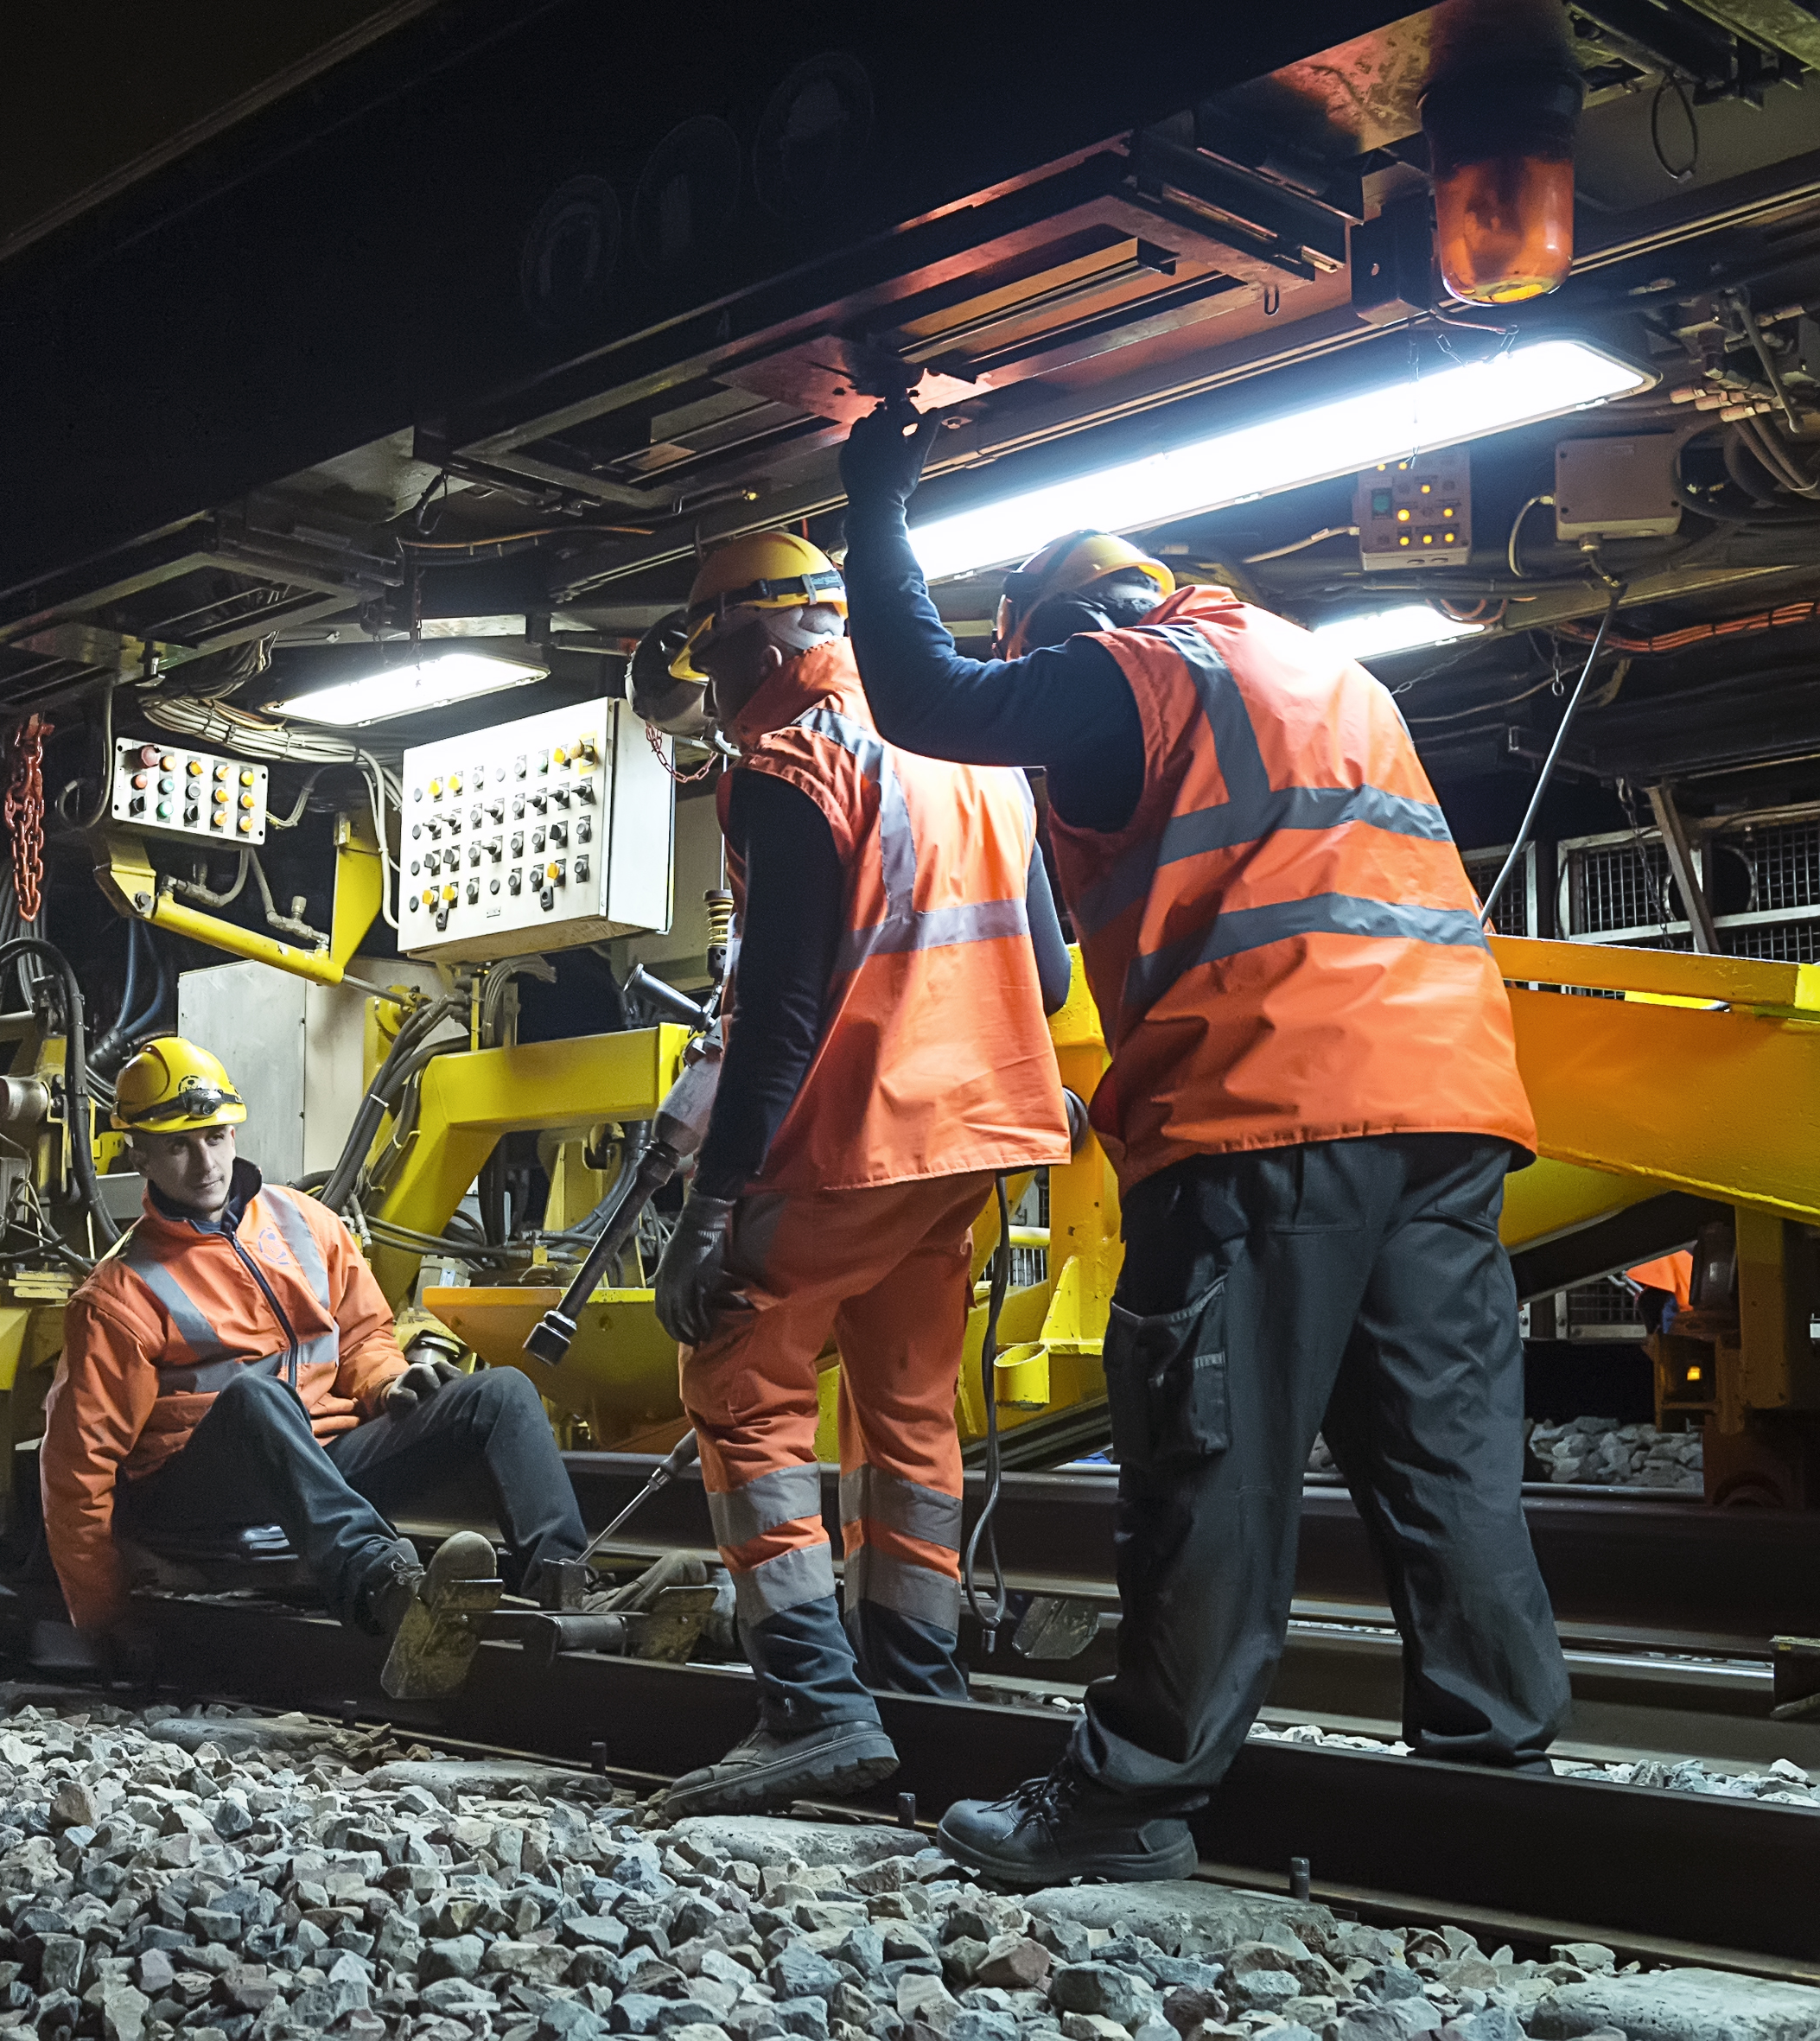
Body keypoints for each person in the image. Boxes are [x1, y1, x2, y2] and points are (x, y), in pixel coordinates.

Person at [834, 399, 1569, 1882]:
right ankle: (1496, 1792)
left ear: (1075, 624)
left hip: (1262, 1109)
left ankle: (1126, 1798)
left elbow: (922, 698)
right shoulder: (1326, 671)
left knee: (1206, 1450)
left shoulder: (1134, 673)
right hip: (1444, 1111)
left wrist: (875, 507)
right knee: (1443, 1461)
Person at [629, 532, 1074, 1816]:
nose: (713, 699)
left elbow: (774, 1008)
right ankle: (916, 1691)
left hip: (859, 1129)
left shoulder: (789, 757)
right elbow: (1043, 976)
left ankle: (812, 1705)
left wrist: (709, 1209)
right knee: (906, 1405)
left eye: (713, 666)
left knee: (734, 1365)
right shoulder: (962, 743)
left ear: (752, 645)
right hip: (977, 1133)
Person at [39, 1035, 590, 1697]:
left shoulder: (306, 1222)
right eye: (178, 1145)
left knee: (500, 1391)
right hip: (191, 1500)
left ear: (234, 1130)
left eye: (213, 1136)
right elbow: (77, 1470)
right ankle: (387, 1590)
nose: (203, 1160)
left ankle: (563, 1583)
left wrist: (387, 1381)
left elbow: (362, 1334)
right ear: (140, 1153)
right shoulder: (117, 1296)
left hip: (319, 1462)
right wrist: (104, 1617)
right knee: (256, 1398)